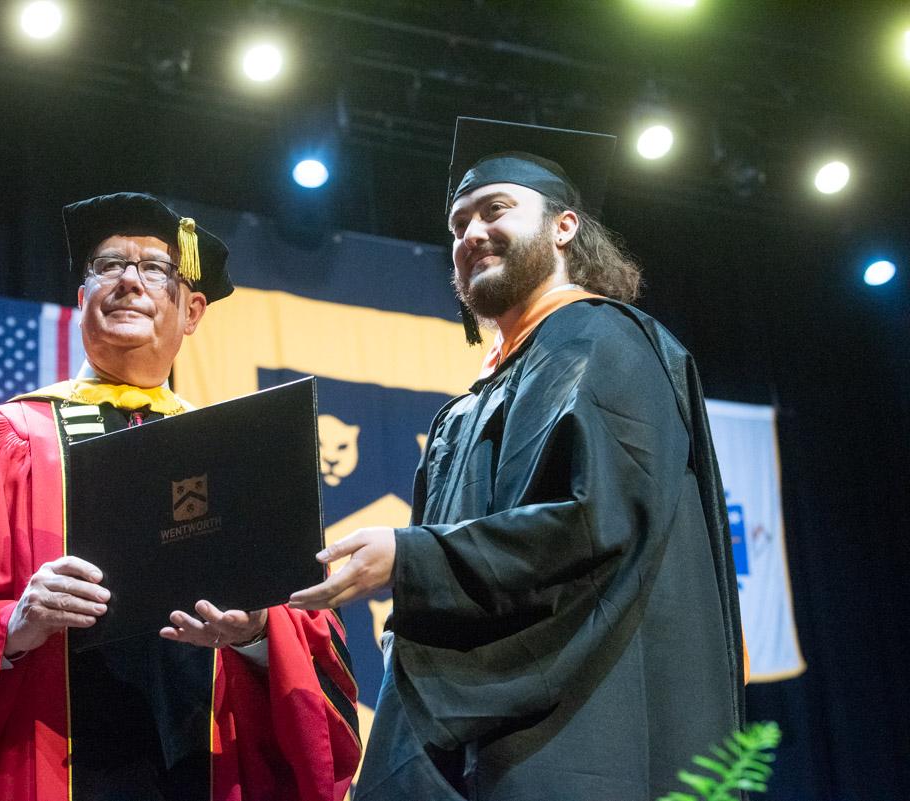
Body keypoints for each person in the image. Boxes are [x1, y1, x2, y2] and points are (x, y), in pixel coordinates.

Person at [0, 193, 361, 801]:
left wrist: (254, 632)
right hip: (48, 764)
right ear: (83, 299)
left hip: (205, 768)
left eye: (154, 270)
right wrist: (12, 624)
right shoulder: (4, 440)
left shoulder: (239, 460)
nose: (129, 282)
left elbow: (311, 642)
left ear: (192, 310)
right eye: (108, 267)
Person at [291, 118, 746, 800]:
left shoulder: (600, 340)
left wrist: (415, 559)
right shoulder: (469, 406)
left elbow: (593, 527)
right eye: (457, 223)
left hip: (577, 737)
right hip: (483, 750)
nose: (470, 233)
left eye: (495, 209)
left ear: (564, 226)